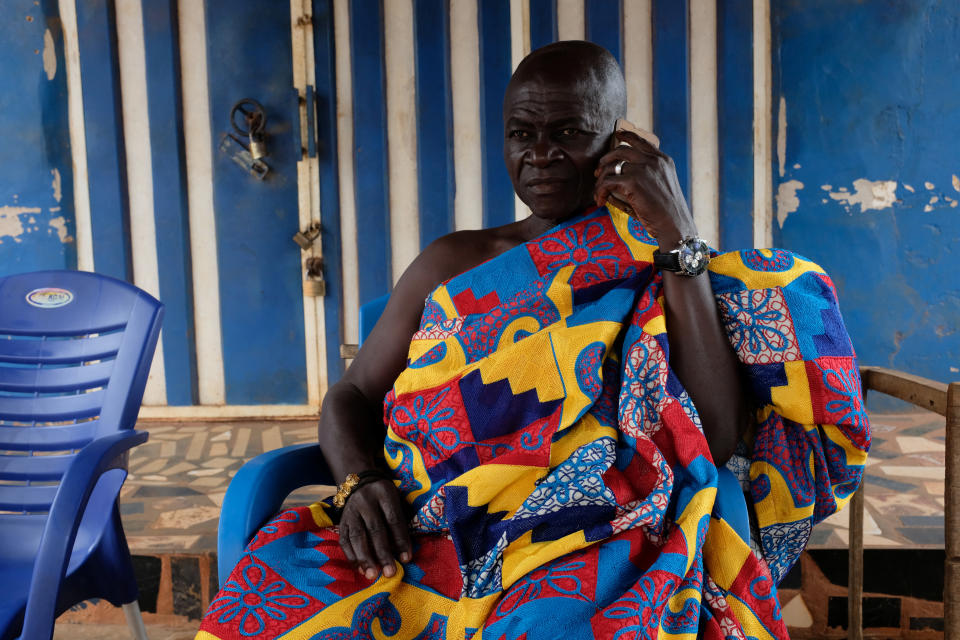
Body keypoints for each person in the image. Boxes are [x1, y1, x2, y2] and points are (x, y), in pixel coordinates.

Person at [197, 42, 869, 640]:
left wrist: (677, 236)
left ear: (619, 142)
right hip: (427, 522)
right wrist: (361, 479)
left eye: (568, 132)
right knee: (279, 600)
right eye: (521, 133)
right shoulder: (455, 262)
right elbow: (351, 393)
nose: (540, 154)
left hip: (588, 532)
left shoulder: (661, 269)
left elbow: (712, 436)